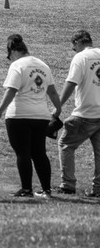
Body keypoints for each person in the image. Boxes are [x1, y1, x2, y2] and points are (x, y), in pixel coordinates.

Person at [0, 34, 61, 197]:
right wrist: (58, 109)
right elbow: (52, 91)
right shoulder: (43, 66)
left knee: (23, 153)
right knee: (39, 153)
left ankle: (27, 189)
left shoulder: (17, 66)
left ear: (12, 50)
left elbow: (11, 90)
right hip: (41, 116)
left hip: (19, 115)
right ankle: (47, 190)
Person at [54, 30, 100, 198]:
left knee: (66, 144)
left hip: (85, 113)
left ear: (78, 42)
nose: (74, 50)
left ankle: (67, 184)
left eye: (74, 47)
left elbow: (71, 83)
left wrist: (57, 107)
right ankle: (98, 189)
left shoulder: (80, 58)